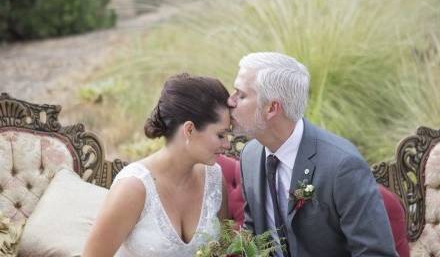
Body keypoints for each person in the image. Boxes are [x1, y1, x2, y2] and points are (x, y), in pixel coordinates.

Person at [228, 52, 397, 257]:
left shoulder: (342, 166)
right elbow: (255, 237)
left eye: (241, 95)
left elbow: (376, 253)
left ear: (272, 108)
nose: (231, 101)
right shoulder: (250, 156)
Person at [83, 73, 231, 257]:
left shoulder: (215, 179)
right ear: (189, 130)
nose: (228, 144)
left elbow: (226, 249)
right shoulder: (133, 188)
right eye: (220, 135)